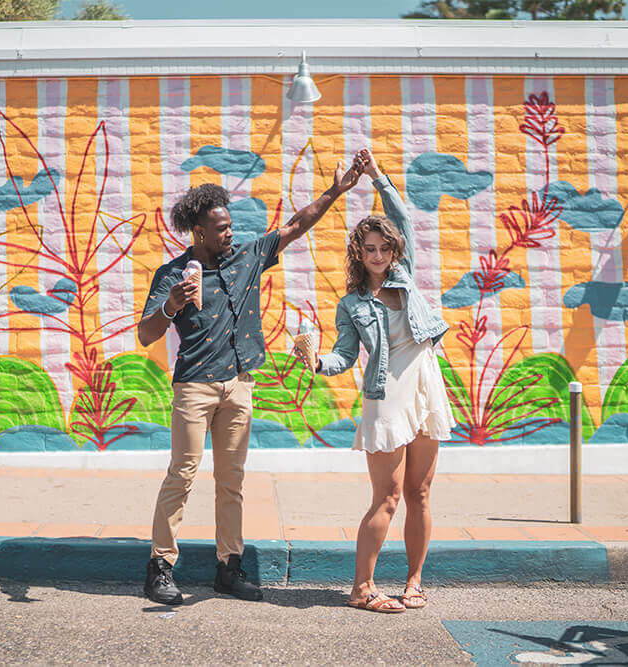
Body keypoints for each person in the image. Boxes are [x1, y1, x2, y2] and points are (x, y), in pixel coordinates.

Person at [138, 151, 367, 605]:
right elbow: (147, 333)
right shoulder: (172, 275)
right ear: (199, 232)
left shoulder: (247, 256)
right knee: (181, 474)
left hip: (239, 384)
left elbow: (297, 225)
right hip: (194, 387)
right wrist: (172, 306)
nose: (230, 232)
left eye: (230, 224)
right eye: (221, 227)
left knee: (232, 480)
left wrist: (336, 191)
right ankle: (160, 567)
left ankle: (229, 568)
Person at [297, 148, 455, 613]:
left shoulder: (405, 276)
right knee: (386, 497)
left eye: (385, 248)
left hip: (426, 385)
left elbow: (401, 215)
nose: (380, 255)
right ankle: (361, 589)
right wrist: (316, 362)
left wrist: (375, 176)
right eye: (371, 249)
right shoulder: (352, 305)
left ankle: (414, 582)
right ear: (359, 254)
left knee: (420, 493)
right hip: (387, 395)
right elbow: (345, 356)